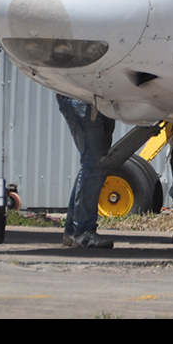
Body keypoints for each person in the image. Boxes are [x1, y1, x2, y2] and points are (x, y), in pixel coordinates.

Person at [56, 95, 115, 249]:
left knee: (94, 164)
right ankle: (83, 231)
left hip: (104, 99)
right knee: (95, 164)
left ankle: (72, 230)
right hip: (82, 99)